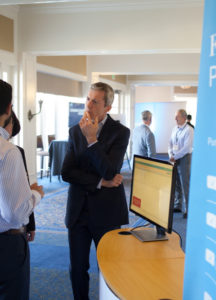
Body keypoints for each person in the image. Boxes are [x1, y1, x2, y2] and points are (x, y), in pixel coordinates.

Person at [61, 82, 130, 300]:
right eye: (88, 99)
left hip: (107, 213)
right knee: (78, 269)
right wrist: (100, 182)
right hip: (78, 211)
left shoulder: (121, 133)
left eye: (95, 101)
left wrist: (92, 140)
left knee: (108, 269)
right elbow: (66, 172)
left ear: (107, 107)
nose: (89, 105)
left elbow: (110, 171)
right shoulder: (75, 130)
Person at [0, 79, 44, 300]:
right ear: (9, 108)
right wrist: (36, 194)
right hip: (6, 245)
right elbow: (15, 213)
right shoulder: (8, 152)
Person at [4, 110, 36, 242]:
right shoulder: (12, 152)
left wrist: (31, 225)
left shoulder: (17, 151)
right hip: (10, 230)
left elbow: (24, 189)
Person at [168, 109, 194, 218]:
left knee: (185, 183)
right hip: (174, 158)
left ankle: (188, 209)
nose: (175, 119)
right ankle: (178, 205)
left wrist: (175, 156)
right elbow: (170, 143)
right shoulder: (175, 128)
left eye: (177, 117)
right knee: (176, 183)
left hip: (184, 158)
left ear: (184, 118)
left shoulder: (189, 130)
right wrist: (170, 154)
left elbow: (186, 147)